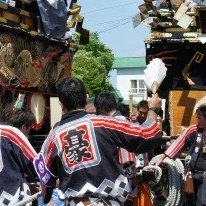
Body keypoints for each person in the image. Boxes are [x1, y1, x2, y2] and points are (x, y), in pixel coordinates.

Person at [36, 77, 163, 206]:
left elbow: (45, 186)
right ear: (86, 98)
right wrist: (153, 109)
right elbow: (149, 134)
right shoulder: (105, 123)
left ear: (61, 104)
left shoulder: (53, 137)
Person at [155, 105, 206, 206]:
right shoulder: (193, 130)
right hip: (191, 174)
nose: (197, 120)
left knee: (205, 203)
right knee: (189, 202)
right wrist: (163, 157)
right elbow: (179, 143)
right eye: (197, 118)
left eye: (199, 118)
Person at [94, 93, 137, 206]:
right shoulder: (127, 122)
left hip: (117, 181)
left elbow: (126, 160)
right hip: (128, 180)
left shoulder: (111, 124)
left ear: (100, 108)